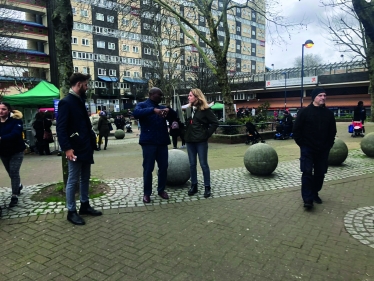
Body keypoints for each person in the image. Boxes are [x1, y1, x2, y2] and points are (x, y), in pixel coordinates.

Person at [56, 73, 102, 225]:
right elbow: (61, 128)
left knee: (85, 177)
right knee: (72, 180)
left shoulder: (80, 99)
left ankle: (84, 205)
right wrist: (67, 148)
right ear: (79, 84)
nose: (87, 86)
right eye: (86, 84)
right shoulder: (66, 102)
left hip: (85, 146)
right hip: (74, 148)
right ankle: (71, 211)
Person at [292, 88, 336, 209]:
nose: (323, 97)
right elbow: (296, 131)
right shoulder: (304, 112)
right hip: (308, 149)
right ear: (314, 97)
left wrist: (328, 146)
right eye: (320, 95)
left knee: (320, 174)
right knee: (306, 173)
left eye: (324, 95)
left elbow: (332, 132)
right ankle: (307, 199)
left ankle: (315, 192)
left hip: (322, 150)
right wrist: (302, 145)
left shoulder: (329, 114)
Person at [133, 87, 177, 204]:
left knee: (163, 167)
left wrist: (169, 110)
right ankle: (147, 193)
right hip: (148, 142)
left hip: (162, 142)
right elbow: (136, 113)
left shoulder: (162, 107)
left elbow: (175, 116)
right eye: (159, 95)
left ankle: (161, 190)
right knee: (148, 168)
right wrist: (153, 110)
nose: (161, 97)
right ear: (151, 94)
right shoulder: (142, 105)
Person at [184, 89, 219, 198]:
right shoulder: (188, 109)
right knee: (192, 164)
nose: (188, 97)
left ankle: (207, 187)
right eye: (188, 95)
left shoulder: (205, 110)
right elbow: (186, 124)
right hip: (190, 141)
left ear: (196, 97)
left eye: (190, 95)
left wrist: (206, 134)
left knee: (203, 164)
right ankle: (194, 185)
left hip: (201, 141)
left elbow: (215, 123)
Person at [0, 102, 25, 210]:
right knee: (11, 172)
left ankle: (14, 195)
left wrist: (1, 138)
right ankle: (18, 185)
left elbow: (15, 134)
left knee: (14, 172)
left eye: (4, 109)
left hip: (17, 151)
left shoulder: (16, 120)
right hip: (3, 152)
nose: (1, 111)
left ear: (9, 110)